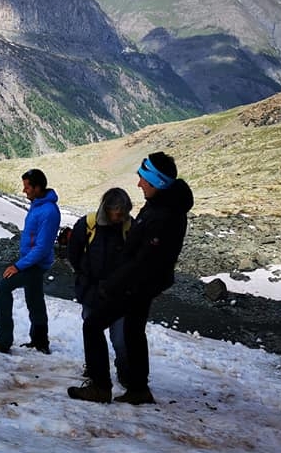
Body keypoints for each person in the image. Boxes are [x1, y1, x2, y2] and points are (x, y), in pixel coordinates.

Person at [68, 152, 194, 405]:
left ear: (156, 181)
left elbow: (142, 260)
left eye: (143, 180)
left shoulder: (163, 215)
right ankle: (138, 389)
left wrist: (111, 285)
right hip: (144, 284)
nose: (139, 185)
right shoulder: (164, 204)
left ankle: (100, 386)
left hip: (135, 286)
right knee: (133, 331)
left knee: (92, 325)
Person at [0, 168, 60, 355]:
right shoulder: (39, 204)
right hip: (31, 260)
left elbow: (42, 247)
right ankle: (40, 341)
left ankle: (3, 340)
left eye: (27, 187)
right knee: (34, 297)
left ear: (38, 187)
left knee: (3, 287)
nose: (24, 190)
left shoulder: (48, 211)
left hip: (35, 262)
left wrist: (18, 266)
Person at [67, 188, 134, 384]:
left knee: (120, 338)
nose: (121, 216)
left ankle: (124, 372)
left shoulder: (130, 226)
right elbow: (74, 252)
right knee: (93, 333)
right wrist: (84, 275)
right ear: (108, 208)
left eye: (124, 211)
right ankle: (96, 370)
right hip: (92, 290)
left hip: (118, 293)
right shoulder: (88, 224)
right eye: (118, 211)